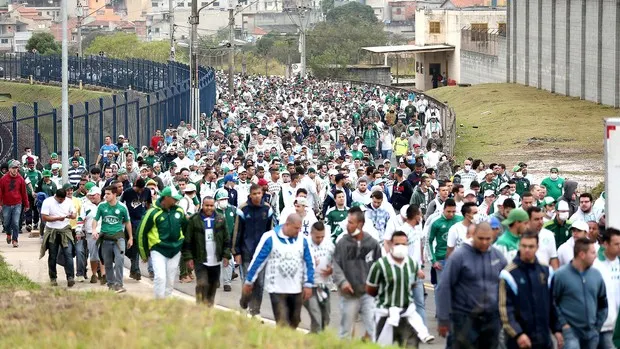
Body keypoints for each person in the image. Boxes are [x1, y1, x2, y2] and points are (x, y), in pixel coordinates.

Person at [437, 222, 508, 348]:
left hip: (491, 319)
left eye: (488, 239)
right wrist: (443, 318)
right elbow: (444, 286)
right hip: (464, 318)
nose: (485, 242)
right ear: (473, 235)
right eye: (481, 238)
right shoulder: (459, 256)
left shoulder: (498, 256)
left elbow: (506, 287)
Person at [242, 214, 314, 329]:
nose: (298, 231)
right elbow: (258, 260)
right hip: (277, 289)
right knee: (282, 322)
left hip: (296, 288)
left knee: (295, 320)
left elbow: (309, 262)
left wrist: (309, 283)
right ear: (287, 224)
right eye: (296, 228)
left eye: (300, 228)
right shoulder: (270, 237)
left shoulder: (303, 240)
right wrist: (249, 280)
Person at [367, 230, 435, 347]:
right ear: (391, 245)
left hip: (406, 314)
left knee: (411, 345)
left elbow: (412, 285)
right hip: (385, 314)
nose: (401, 247)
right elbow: (370, 289)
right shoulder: (380, 265)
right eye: (397, 244)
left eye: (404, 244)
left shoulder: (412, 264)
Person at [498, 231, 563, 349]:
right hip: (519, 341)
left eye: (531, 246)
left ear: (537, 247)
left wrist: (557, 329)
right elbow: (505, 310)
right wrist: (518, 334)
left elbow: (552, 304)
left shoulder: (546, 271)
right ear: (519, 246)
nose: (527, 249)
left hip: (543, 339)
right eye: (524, 246)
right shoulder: (508, 274)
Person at [333, 209, 382, 339]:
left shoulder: (372, 243)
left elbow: (379, 266)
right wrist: (343, 282)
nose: (347, 225)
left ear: (360, 224)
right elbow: (336, 265)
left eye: (350, 222)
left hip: (368, 293)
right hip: (349, 294)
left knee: (372, 328)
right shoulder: (342, 243)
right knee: (346, 330)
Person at [553, 238, 608, 349]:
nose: (595, 256)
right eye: (592, 253)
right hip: (570, 332)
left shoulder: (596, 275)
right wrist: (563, 324)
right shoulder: (561, 275)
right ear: (582, 254)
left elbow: (603, 303)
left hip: (591, 332)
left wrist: (597, 326)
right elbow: (552, 303)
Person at [232, 183, 273, 317]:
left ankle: (255, 311)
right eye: (254, 194)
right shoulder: (243, 209)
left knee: (260, 283)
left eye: (259, 193)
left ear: (262, 194)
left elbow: (270, 232)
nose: (257, 196)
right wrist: (236, 252)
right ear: (250, 195)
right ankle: (245, 307)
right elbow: (237, 231)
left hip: (261, 253)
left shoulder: (267, 209)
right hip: (246, 251)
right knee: (248, 282)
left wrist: (270, 250)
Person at [137, 186, 186, 299]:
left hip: (175, 250)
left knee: (170, 280)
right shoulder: (152, 212)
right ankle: (159, 303)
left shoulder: (179, 211)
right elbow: (141, 232)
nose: (176, 201)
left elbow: (185, 228)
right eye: (174, 198)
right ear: (166, 198)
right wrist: (143, 253)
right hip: (158, 249)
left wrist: (183, 246)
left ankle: (167, 303)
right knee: (160, 277)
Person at [183, 196, 231, 306]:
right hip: (200, 259)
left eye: (211, 205)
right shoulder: (194, 220)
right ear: (202, 205)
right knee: (202, 283)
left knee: (214, 285)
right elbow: (187, 240)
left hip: (215, 260)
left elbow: (226, 239)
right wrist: (188, 257)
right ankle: (200, 306)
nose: (209, 208)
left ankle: (209, 307)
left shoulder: (220, 219)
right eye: (206, 205)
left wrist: (226, 255)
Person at [92, 186, 132, 293]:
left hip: (118, 238)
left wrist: (131, 237)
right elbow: (95, 219)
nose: (106, 196)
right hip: (105, 238)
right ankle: (110, 284)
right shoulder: (102, 206)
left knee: (119, 260)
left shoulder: (122, 207)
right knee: (107, 262)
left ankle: (119, 284)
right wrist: (94, 230)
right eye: (105, 194)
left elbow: (128, 222)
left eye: (108, 194)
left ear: (115, 194)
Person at [39, 189, 76, 287]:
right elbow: (44, 217)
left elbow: (74, 215)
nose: (62, 201)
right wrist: (57, 218)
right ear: (56, 196)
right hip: (52, 230)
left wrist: (71, 216)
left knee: (68, 254)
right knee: (52, 255)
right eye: (60, 200)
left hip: (65, 230)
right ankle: (53, 277)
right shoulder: (48, 202)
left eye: (63, 199)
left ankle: (70, 277)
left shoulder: (69, 201)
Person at [303, 222, 334, 333]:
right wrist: (309, 264)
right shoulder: (304, 244)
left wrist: (332, 269)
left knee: (326, 317)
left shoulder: (329, 244)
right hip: (308, 286)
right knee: (316, 315)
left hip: (323, 285)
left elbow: (337, 261)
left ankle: (315, 337)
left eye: (322, 236)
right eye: (317, 237)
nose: (320, 239)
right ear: (311, 233)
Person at [592, 228, 620, 349]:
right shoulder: (596, 265)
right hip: (603, 324)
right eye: (616, 244)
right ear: (605, 244)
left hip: (617, 323)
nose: (619, 247)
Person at [120, 178, 152, 281]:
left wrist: (147, 214)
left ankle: (136, 270)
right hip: (130, 221)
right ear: (135, 186)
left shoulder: (147, 191)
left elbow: (148, 204)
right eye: (139, 189)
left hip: (141, 221)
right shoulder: (128, 192)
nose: (141, 191)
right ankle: (134, 268)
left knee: (137, 245)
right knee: (130, 246)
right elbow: (120, 204)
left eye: (142, 189)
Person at [76, 186, 105, 284]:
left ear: (99, 195)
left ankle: (103, 274)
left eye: (94, 195)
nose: (92, 197)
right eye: (90, 195)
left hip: (104, 232)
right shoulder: (86, 205)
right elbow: (81, 218)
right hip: (90, 233)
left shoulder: (106, 204)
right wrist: (79, 230)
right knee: (93, 256)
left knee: (103, 254)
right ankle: (94, 274)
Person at [0, 160, 29, 247]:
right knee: (6, 223)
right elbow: (1, 192)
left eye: (16, 168)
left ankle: (15, 240)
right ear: (9, 169)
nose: (15, 170)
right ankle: (9, 234)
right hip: (6, 204)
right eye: (13, 168)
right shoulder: (3, 179)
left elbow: (24, 192)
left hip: (17, 203)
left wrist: (26, 204)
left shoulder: (20, 179)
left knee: (16, 222)